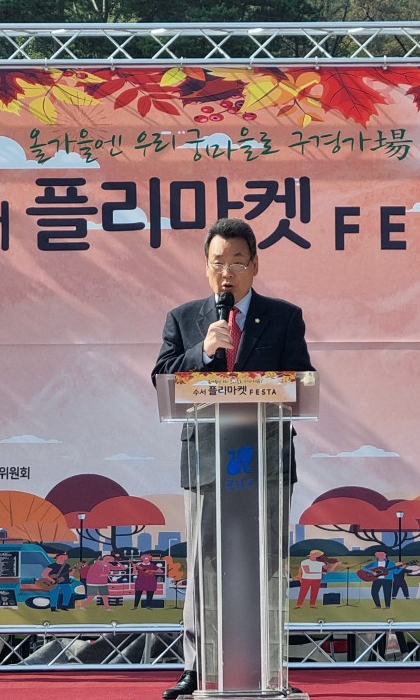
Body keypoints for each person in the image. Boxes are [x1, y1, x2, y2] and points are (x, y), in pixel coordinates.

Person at [152, 217, 314, 700]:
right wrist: (202, 353)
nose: (227, 272)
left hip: (264, 460)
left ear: (255, 265)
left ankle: (269, 670)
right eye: (218, 262)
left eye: (237, 262)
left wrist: (263, 385)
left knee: (267, 563)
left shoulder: (284, 317)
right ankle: (197, 668)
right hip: (206, 460)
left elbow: (302, 381)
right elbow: (161, 378)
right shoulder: (184, 320)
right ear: (206, 268)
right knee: (203, 565)